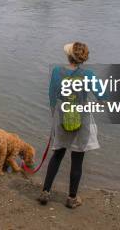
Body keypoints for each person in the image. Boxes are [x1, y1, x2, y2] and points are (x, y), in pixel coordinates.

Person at [38, 42, 102, 209]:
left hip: (62, 117)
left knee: (57, 155)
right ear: (83, 58)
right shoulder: (89, 75)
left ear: (68, 56)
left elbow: (52, 96)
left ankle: (45, 191)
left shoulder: (57, 72)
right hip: (81, 120)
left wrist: (54, 118)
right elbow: (104, 98)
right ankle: (71, 198)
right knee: (77, 159)